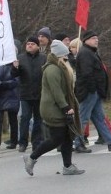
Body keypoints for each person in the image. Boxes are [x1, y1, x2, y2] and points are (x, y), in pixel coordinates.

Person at [23, 40, 84, 177]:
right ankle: (32, 158)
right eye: (64, 56)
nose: (66, 58)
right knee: (56, 139)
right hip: (52, 108)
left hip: (57, 106)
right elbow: (56, 92)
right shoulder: (52, 69)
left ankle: (68, 166)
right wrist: (66, 107)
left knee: (67, 136)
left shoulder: (59, 67)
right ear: (58, 56)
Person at [73, 30, 111, 152]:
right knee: (83, 118)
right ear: (85, 40)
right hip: (89, 92)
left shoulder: (91, 52)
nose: (96, 40)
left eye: (96, 38)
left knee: (99, 117)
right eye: (93, 38)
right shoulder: (85, 53)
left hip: (94, 92)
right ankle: (78, 143)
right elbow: (87, 74)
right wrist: (92, 89)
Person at [12, 36, 45, 153]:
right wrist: (15, 68)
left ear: (37, 46)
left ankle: (37, 142)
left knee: (38, 119)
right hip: (25, 93)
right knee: (25, 118)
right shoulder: (20, 58)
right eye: (28, 44)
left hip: (39, 93)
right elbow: (14, 75)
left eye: (32, 44)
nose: (29, 46)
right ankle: (22, 142)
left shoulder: (43, 58)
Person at [0, 62, 20, 149]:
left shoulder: (15, 65)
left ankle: (13, 141)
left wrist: (5, 84)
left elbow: (17, 80)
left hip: (12, 95)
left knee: (13, 119)